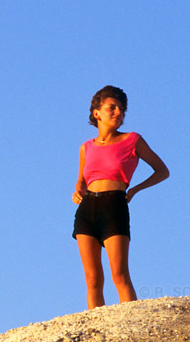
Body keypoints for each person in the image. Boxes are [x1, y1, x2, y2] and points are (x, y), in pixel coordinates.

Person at [72, 85, 169, 309]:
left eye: (122, 110)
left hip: (114, 205)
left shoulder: (132, 140)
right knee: (93, 280)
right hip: (86, 210)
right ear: (97, 113)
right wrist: (78, 190)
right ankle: (96, 331)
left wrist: (135, 189)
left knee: (119, 275)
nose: (118, 113)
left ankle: (131, 325)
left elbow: (162, 170)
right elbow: (82, 180)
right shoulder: (86, 147)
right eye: (112, 107)